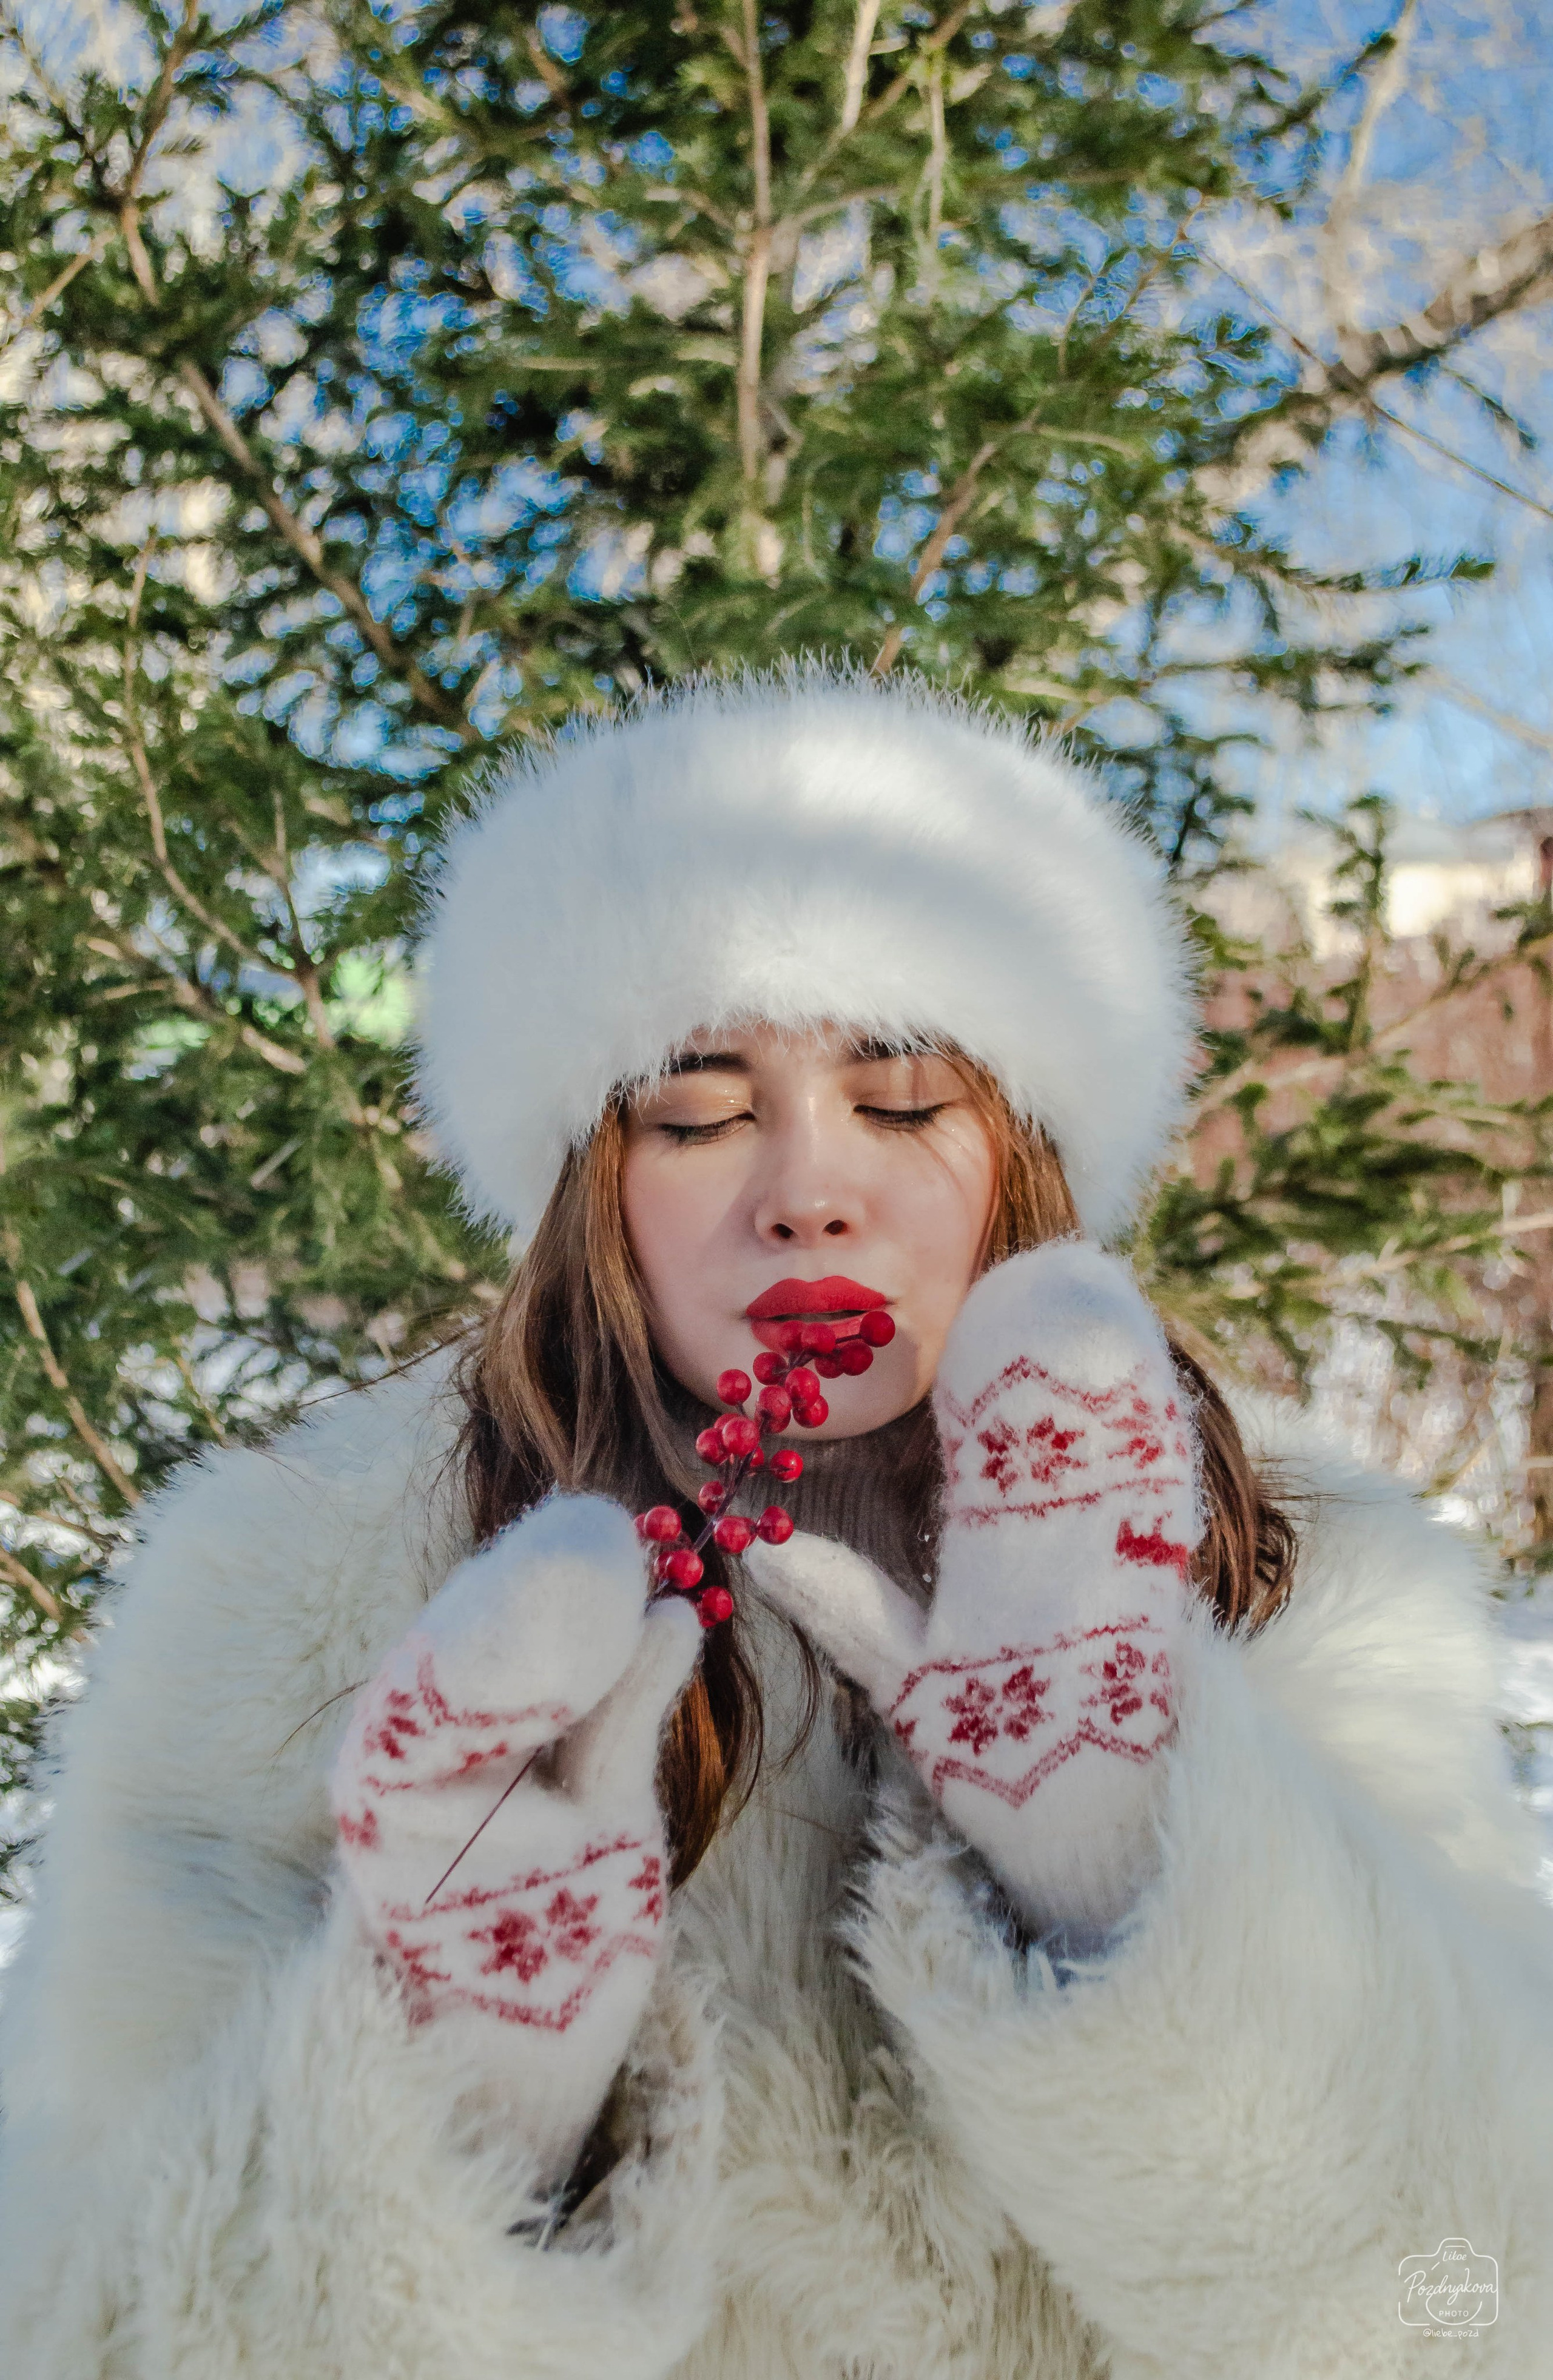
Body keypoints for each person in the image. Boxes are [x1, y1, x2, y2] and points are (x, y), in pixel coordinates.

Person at [1, 670, 1549, 2379]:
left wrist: (1134, 1873)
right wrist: (449, 2104)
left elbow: (1475, 2316)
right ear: (593, 1179)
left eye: (899, 1100)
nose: (809, 1180)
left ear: (1022, 1145)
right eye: (699, 1109)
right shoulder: (292, 1606)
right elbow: (92, 2337)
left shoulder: (1310, 1585)